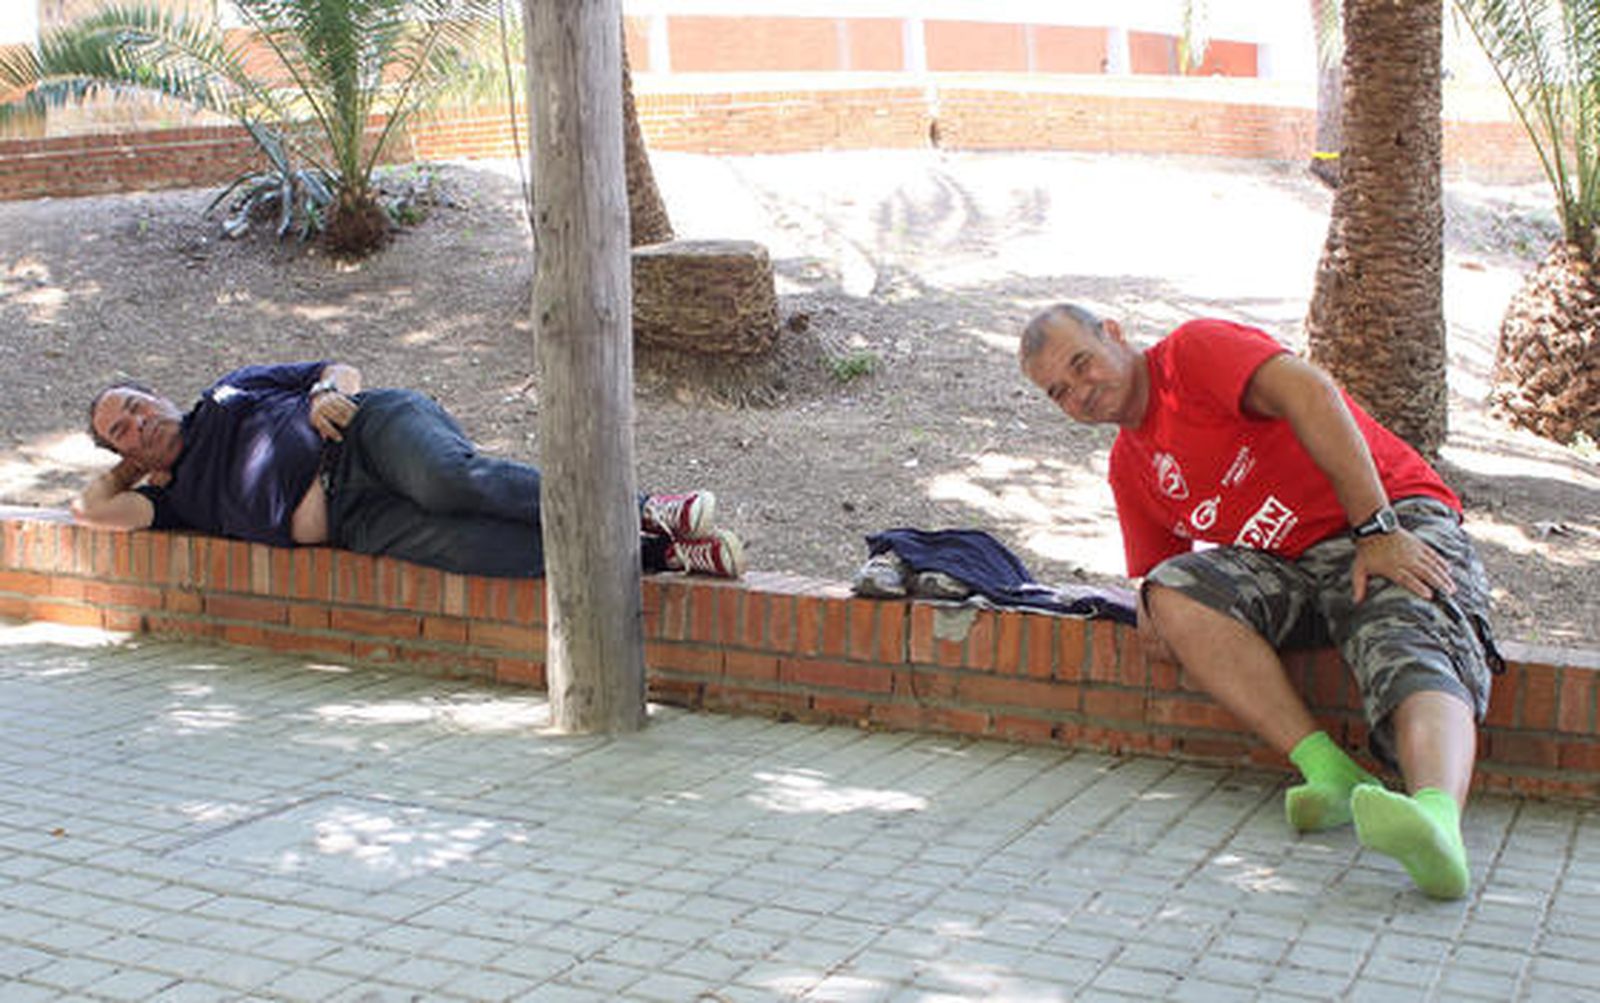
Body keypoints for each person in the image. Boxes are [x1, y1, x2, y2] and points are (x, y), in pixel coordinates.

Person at [1018, 304, 1501, 900]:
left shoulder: (1193, 354)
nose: (1080, 392)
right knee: (1173, 592)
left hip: (1387, 517)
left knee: (1411, 627)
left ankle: (1436, 820)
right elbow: (1154, 577)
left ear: (1113, 334)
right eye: (1059, 392)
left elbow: (1311, 392)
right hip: (1293, 566)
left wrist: (1376, 530)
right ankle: (1330, 772)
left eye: (1082, 363)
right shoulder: (1130, 466)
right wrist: (1159, 607)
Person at [73, 361, 744, 579]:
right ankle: (659, 551)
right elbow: (91, 509)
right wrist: (135, 470)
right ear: (124, 455)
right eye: (121, 431)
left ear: (157, 393)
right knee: (483, 549)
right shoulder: (176, 499)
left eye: (137, 405)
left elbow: (337, 369)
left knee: (453, 482)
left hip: (366, 436)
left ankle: (645, 506)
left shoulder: (231, 391)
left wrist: (323, 394)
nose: (139, 421)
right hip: (357, 520)